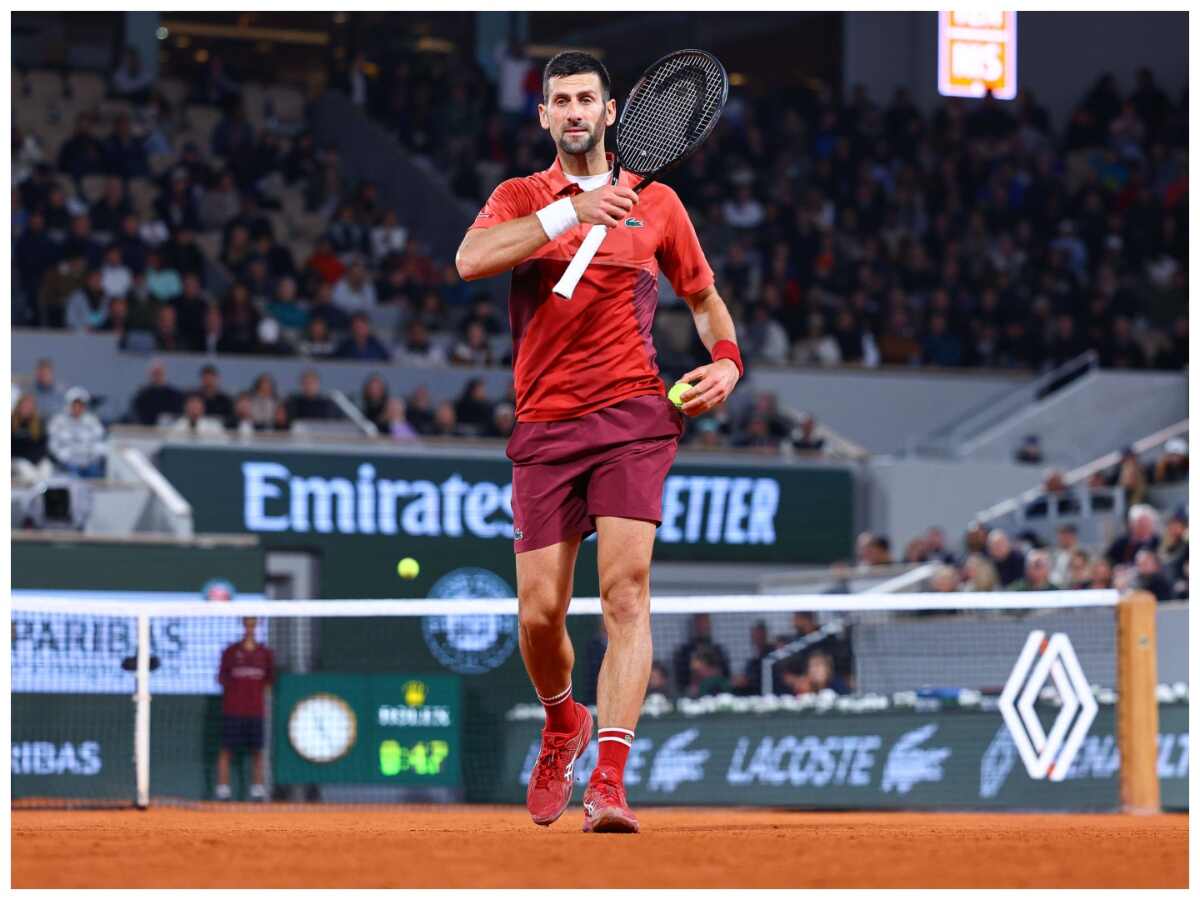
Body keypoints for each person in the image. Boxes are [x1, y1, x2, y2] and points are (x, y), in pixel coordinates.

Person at [455, 50, 742, 834]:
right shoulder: (520, 197)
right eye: (560, 101)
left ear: (613, 113)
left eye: (587, 99)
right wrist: (570, 215)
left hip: (632, 421)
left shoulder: (663, 206)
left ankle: (610, 780)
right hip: (545, 427)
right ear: (544, 116)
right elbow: (469, 260)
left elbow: (705, 299)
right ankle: (562, 722)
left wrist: (726, 359)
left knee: (626, 594)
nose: (575, 111)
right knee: (539, 615)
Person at [215, 617, 274, 802]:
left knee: (258, 751)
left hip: (256, 712)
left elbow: (269, 681)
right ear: (243, 625)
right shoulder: (231, 652)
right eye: (247, 623)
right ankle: (223, 790)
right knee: (226, 750)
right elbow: (222, 678)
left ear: (257, 626)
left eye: (253, 623)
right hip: (233, 711)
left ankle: (257, 790)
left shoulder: (265, 653)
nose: (250, 627)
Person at [48, 387, 106, 478]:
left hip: (89, 464)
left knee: (97, 474)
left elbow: (100, 444)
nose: (77, 408)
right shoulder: (58, 422)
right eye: (74, 404)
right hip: (67, 465)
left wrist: (90, 460)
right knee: (71, 476)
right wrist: (68, 460)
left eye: (80, 405)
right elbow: (53, 446)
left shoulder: (93, 421)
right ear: (68, 404)